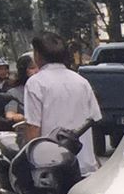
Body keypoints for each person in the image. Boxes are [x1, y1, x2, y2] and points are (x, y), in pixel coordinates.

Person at [20, 32, 102, 177]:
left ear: (38, 55)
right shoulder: (81, 81)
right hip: (85, 165)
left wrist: (31, 163)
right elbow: (94, 120)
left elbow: (33, 127)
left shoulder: (36, 83)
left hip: (51, 167)